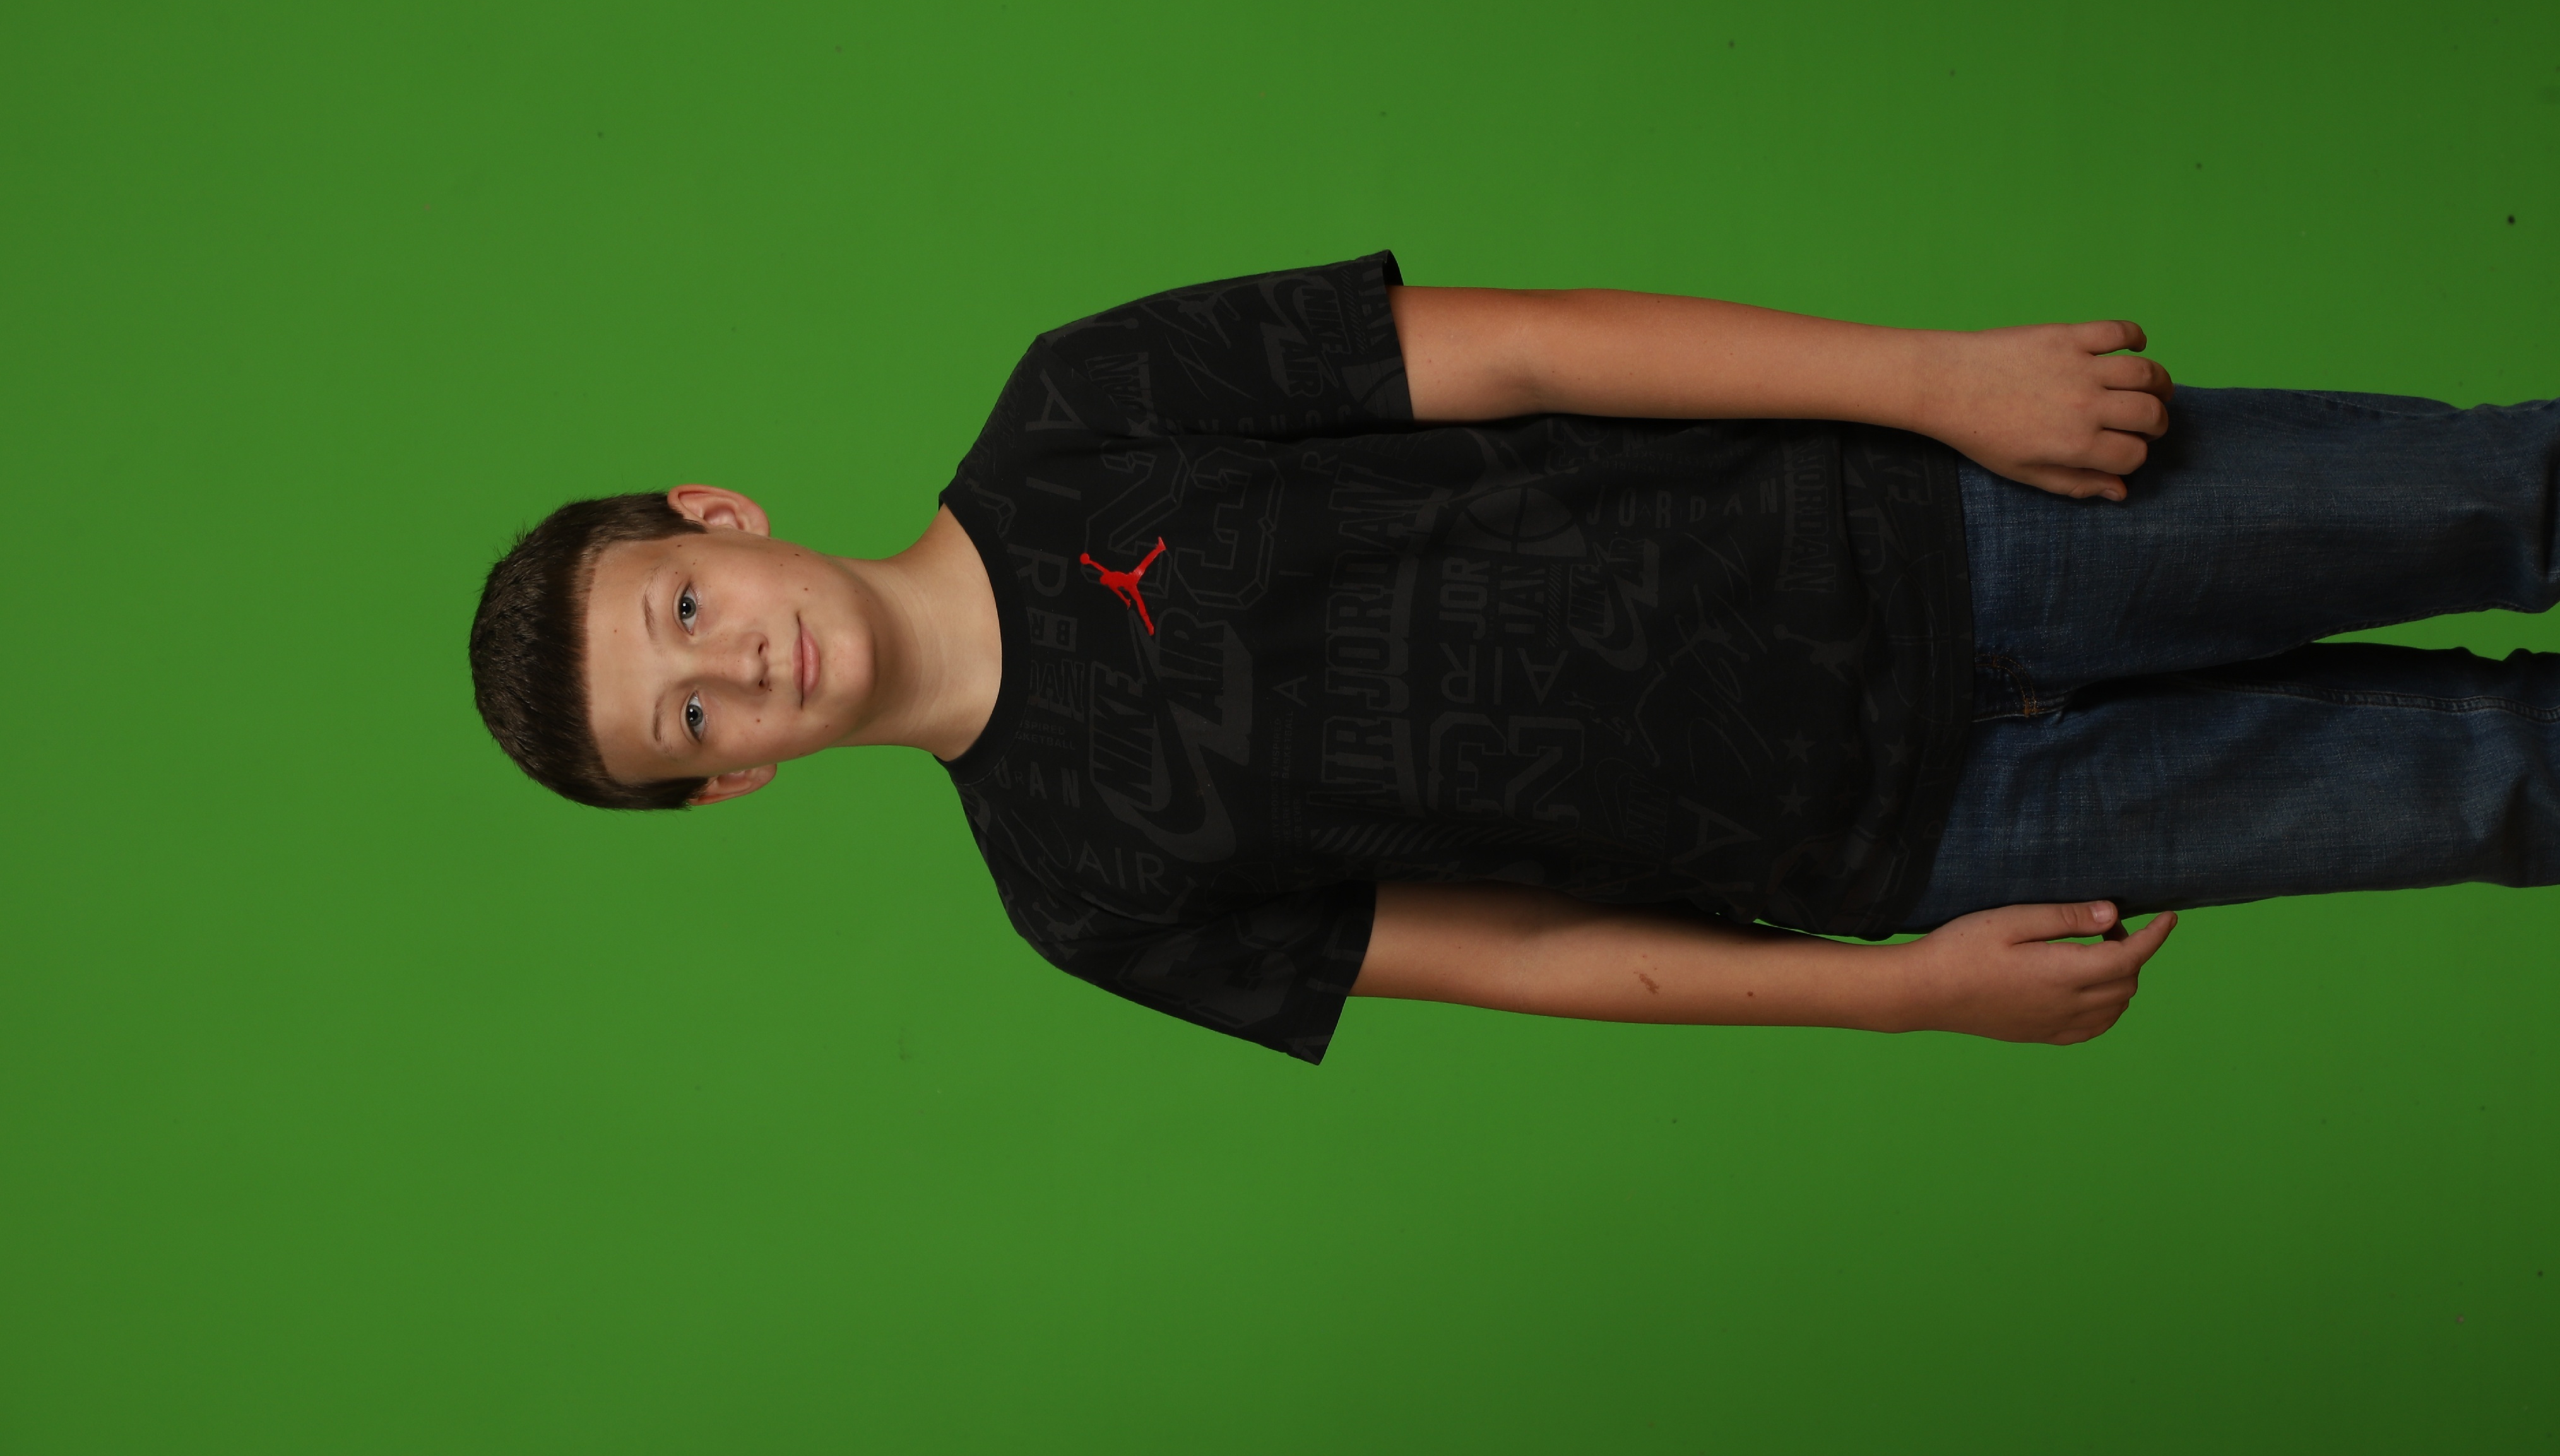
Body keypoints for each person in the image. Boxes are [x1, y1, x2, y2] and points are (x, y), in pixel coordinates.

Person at [468, 252, 2560, 1062]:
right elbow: (1527, 957)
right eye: (691, 718)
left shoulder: (1081, 407)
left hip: (1948, 524)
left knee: (2507, 495)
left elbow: (1536, 348)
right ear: (730, 780)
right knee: (2493, 787)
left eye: (683, 613)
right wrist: (1905, 996)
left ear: (716, 519)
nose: (738, 667)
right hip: (1932, 835)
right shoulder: (1080, 891)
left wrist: (1935, 381)